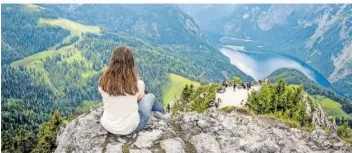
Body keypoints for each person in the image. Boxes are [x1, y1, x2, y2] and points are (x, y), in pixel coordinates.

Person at [98, 45, 164, 135]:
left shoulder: (102, 81)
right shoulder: (137, 84)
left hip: (108, 125)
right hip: (130, 127)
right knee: (150, 96)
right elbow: (140, 96)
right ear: (131, 63)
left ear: (112, 61)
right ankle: (162, 114)